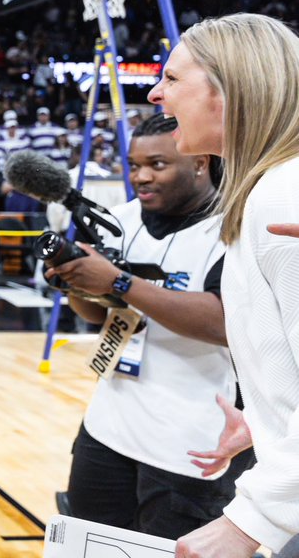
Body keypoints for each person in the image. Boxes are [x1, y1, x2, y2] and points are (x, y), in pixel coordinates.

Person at [45, 113, 248, 540]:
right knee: (89, 547)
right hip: (109, 424)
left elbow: (226, 321)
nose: (141, 177)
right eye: (134, 165)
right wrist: (76, 279)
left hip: (193, 440)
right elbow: (98, 314)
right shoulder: (119, 218)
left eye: (157, 164)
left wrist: (120, 281)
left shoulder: (235, 223)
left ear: (200, 162)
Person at [147, 14, 299, 557]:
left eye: (172, 78)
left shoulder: (284, 195)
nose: (155, 92)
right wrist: (269, 418)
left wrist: (249, 521)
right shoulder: (271, 187)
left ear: (228, 90)